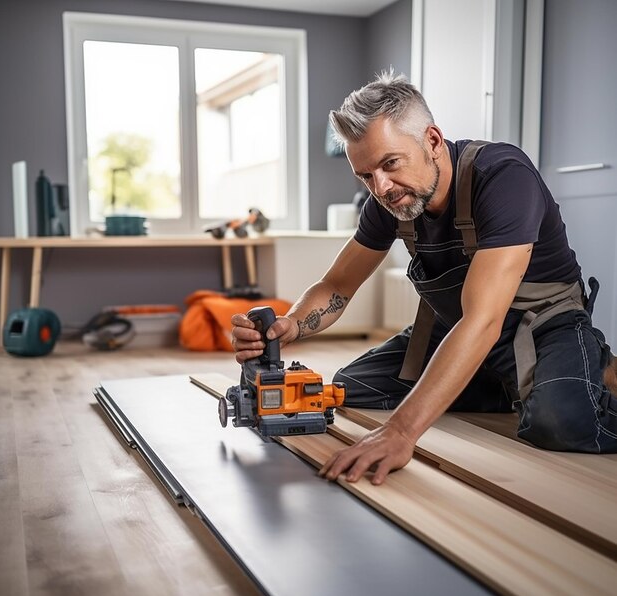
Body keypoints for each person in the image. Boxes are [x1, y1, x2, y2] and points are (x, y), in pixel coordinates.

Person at [231, 70, 617, 485]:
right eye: (365, 175)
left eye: (390, 164)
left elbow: (483, 320)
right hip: (458, 329)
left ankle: (589, 368)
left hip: (541, 326)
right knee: (351, 387)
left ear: (432, 141)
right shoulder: (389, 198)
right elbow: (336, 287)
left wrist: (401, 431)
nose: (380, 187)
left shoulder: (503, 176)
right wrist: (291, 325)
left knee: (558, 422)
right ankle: (507, 384)